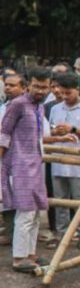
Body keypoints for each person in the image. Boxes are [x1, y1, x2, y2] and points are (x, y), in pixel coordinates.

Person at [1, 68, 52, 273]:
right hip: (18, 165)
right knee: (25, 212)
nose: (40, 90)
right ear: (29, 85)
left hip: (36, 164)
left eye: (44, 86)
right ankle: (19, 257)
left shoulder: (40, 107)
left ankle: (31, 254)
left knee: (35, 212)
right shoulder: (18, 104)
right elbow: (3, 133)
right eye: (37, 86)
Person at [48, 72, 80, 249]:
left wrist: (73, 129)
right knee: (60, 200)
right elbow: (50, 131)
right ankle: (62, 234)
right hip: (58, 162)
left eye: (68, 93)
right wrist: (56, 133)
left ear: (77, 90)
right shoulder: (55, 109)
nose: (64, 96)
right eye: (61, 93)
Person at [0, 71, 25, 246]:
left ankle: (21, 237)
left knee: (21, 197)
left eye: (13, 85)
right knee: (6, 197)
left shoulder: (28, 106)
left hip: (20, 158)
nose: (8, 88)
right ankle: (10, 233)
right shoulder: (3, 107)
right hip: (4, 158)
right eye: (6, 84)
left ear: (23, 88)